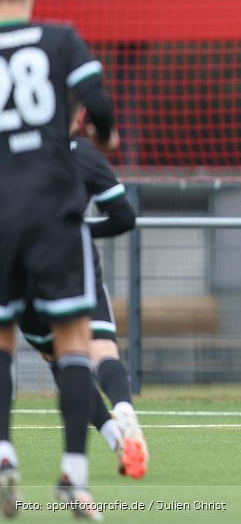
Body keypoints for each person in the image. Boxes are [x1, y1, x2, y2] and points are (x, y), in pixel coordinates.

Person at [0, 0, 117, 519]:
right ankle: (73, 475)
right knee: (72, 343)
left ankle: (2, 454)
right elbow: (97, 101)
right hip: (52, 209)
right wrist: (106, 135)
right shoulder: (59, 38)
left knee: (1, 340)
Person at [19, 100, 146, 480]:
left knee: (61, 360)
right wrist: (82, 228)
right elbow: (124, 217)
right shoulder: (86, 154)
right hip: (75, 262)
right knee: (100, 350)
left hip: (21, 263)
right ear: (78, 117)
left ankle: (113, 439)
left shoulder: (17, 148)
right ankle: (124, 410)